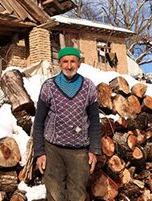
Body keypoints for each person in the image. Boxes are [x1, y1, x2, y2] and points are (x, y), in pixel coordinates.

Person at [32, 47, 101, 201]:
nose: (69, 66)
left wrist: (94, 150)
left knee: (78, 194)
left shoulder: (89, 87)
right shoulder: (48, 87)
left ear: (79, 63)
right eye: (65, 61)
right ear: (59, 63)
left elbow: (95, 121)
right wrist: (40, 152)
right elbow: (39, 121)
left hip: (79, 151)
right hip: (53, 149)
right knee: (55, 194)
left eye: (73, 61)